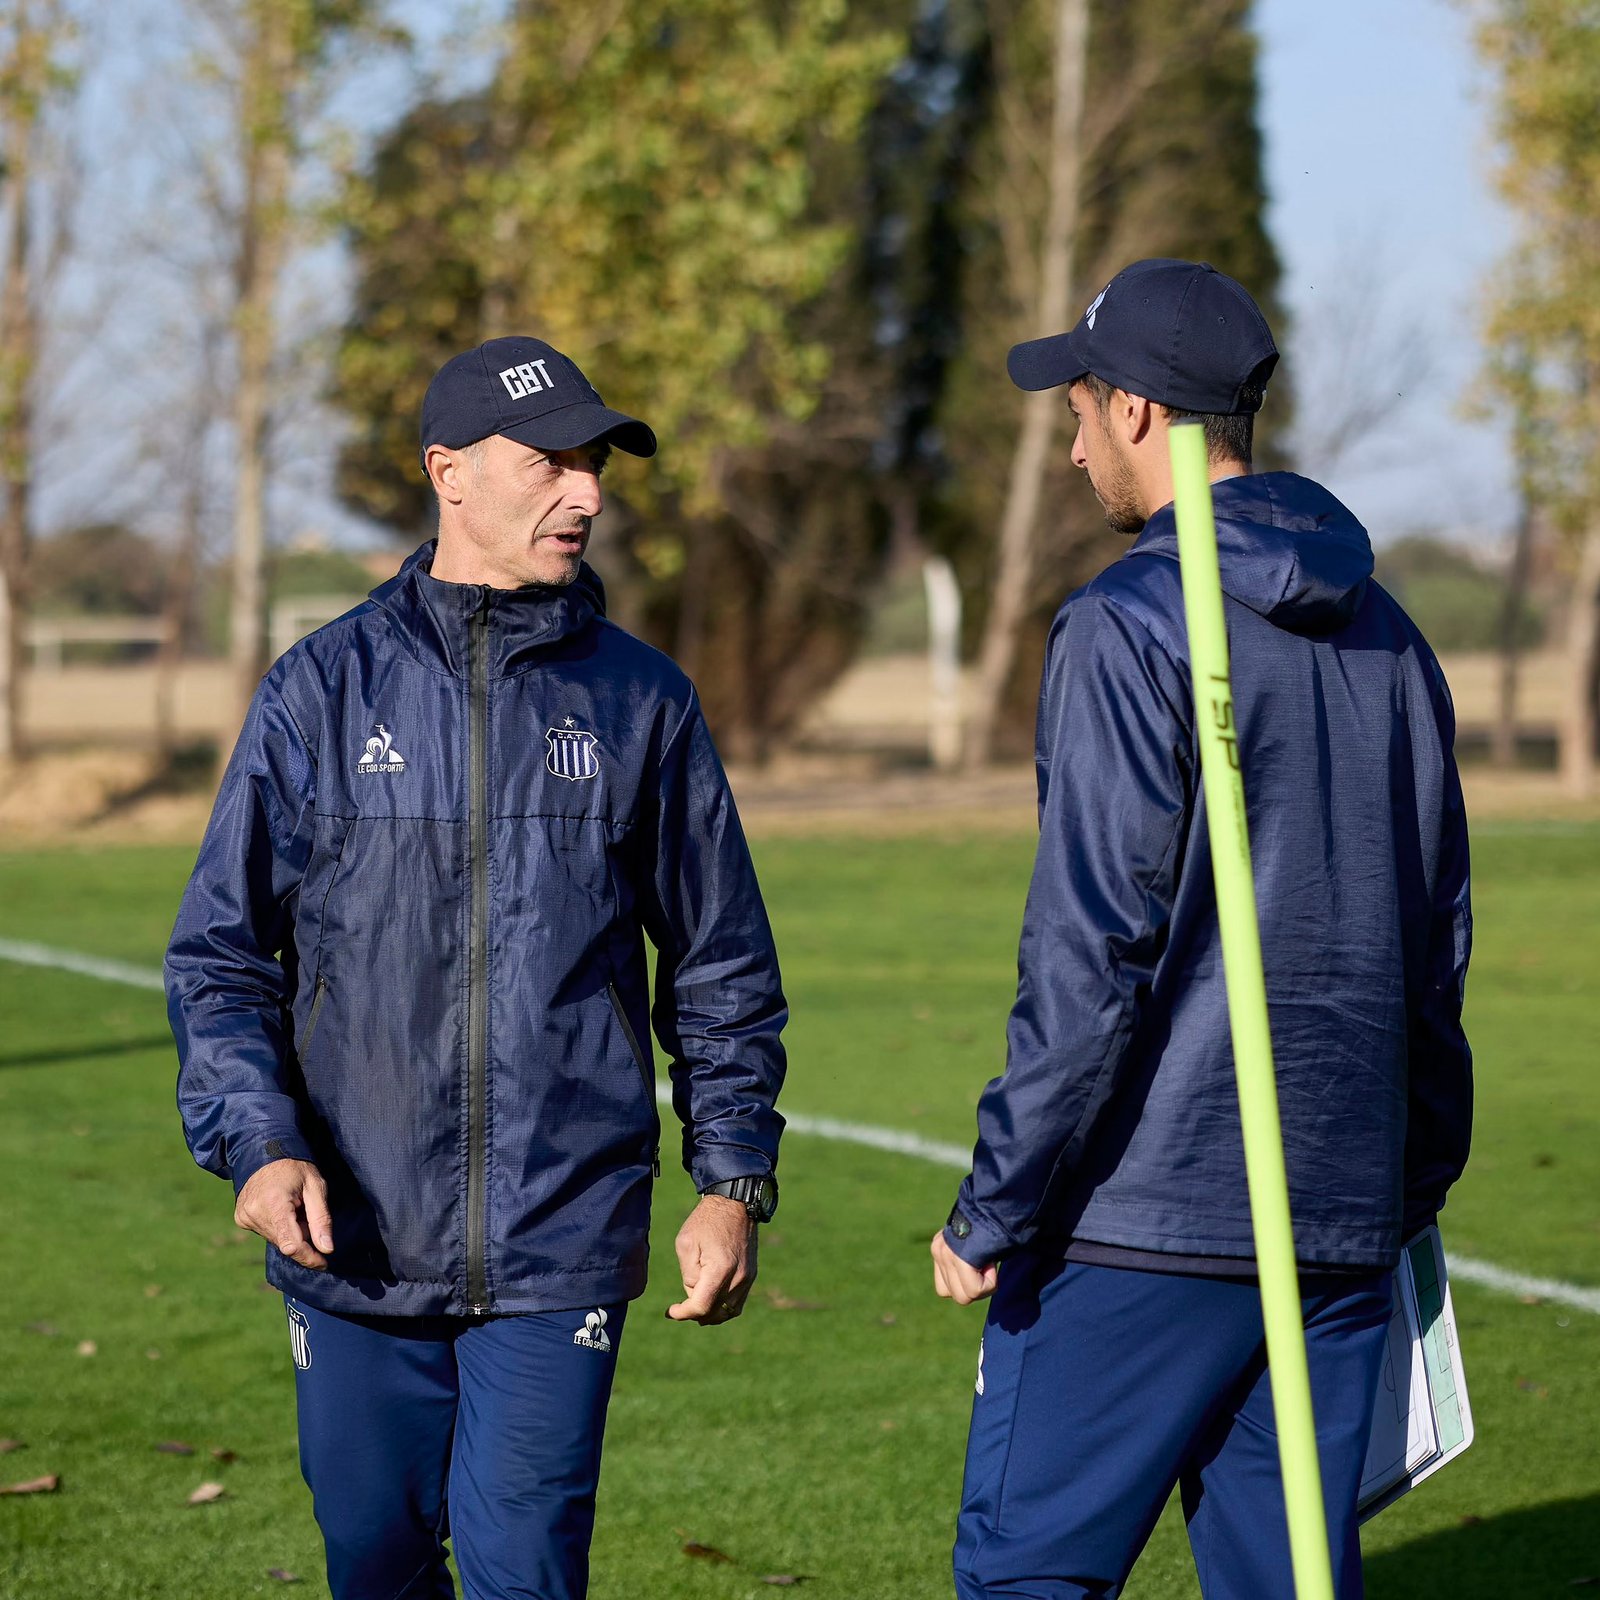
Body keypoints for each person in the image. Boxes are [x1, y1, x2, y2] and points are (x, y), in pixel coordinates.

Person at [166, 336, 787, 1600]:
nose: (588, 493)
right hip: (353, 1225)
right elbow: (223, 958)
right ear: (449, 471)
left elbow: (720, 962)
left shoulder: (643, 704)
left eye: (595, 462)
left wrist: (731, 1175)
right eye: (549, 461)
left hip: (561, 1236)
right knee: (377, 1560)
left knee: (523, 1568)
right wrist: (260, 1140)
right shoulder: (320, 692)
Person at [930, 259, 1472, 1600]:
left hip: (1143, 1217)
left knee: (1026, 1578)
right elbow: (1435, 937)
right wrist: (1405, 1185)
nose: (1066, 450)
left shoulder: (1129, 623)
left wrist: (995, 1200)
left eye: (1077, 410)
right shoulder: (1392, 636)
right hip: (1339, 1212)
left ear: (1135, 415)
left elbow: (1091, 952)